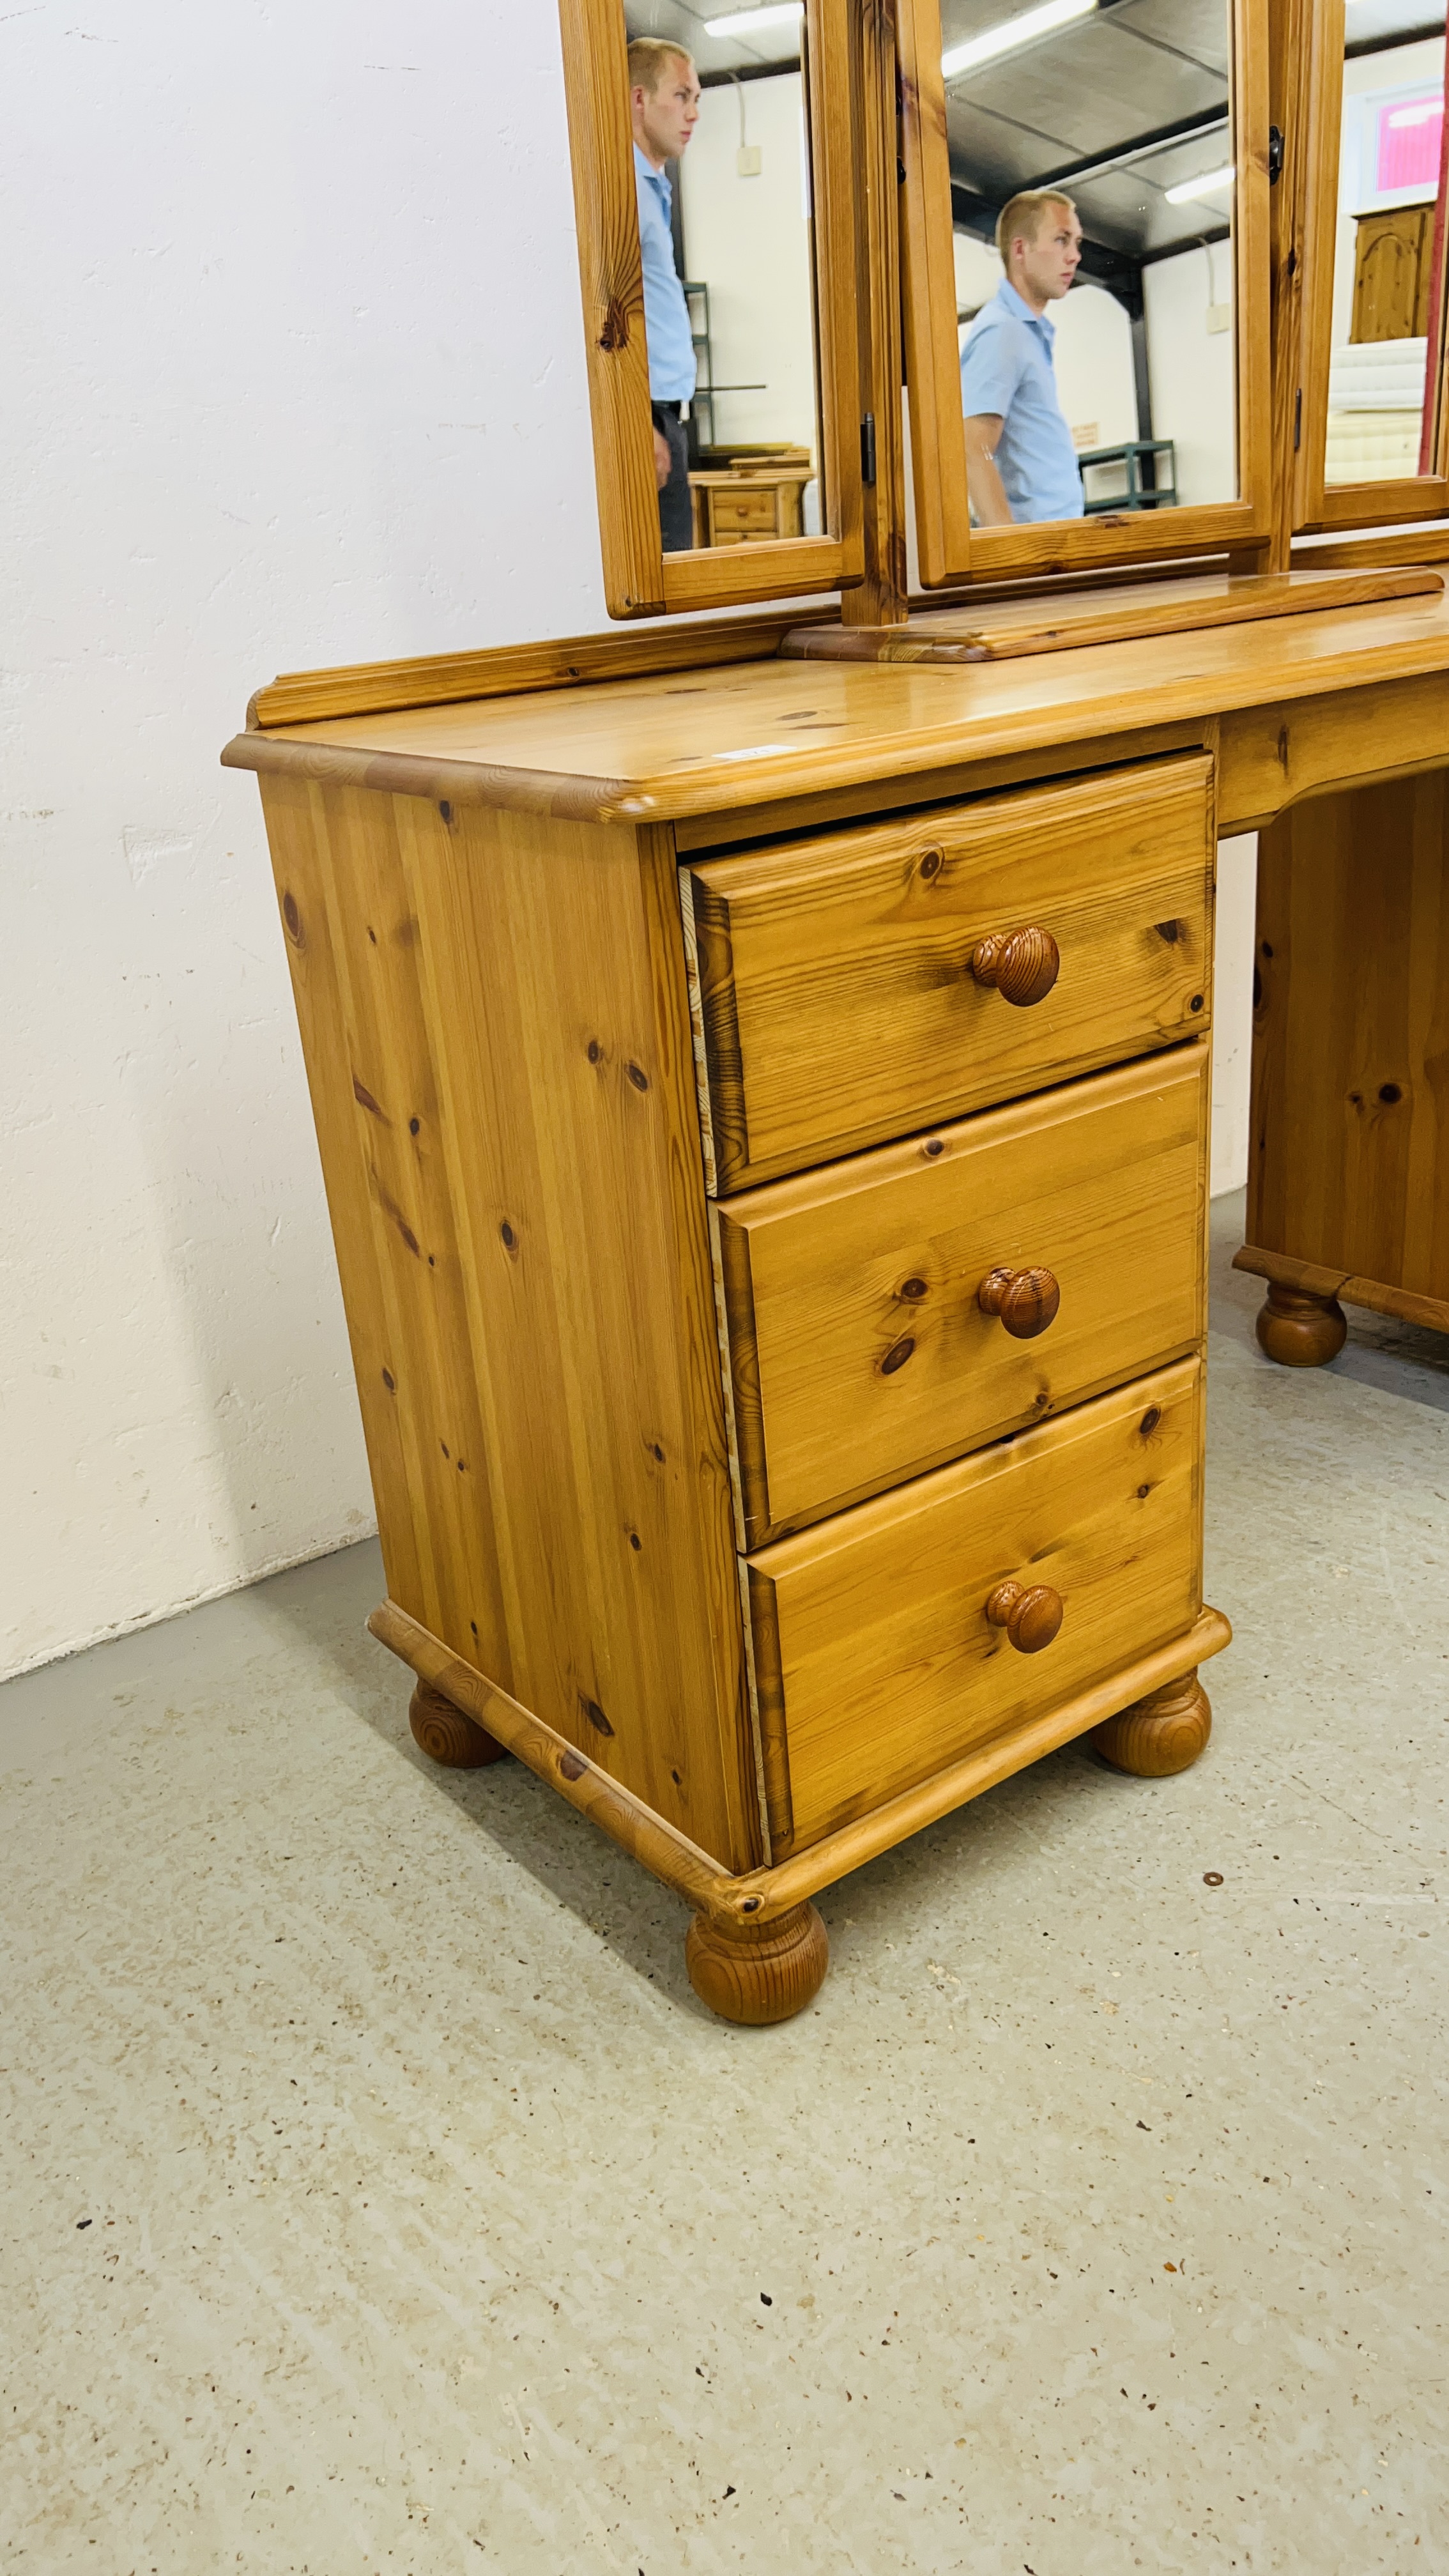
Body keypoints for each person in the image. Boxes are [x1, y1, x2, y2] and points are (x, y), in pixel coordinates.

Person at [960, 189, 1084, 526]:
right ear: (1020, 249)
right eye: (1061, 240)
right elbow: (973, 448)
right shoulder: (1003, 331)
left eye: (1077, 243)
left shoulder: (1027, 334)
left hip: (1054, 536)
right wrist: (1009, 554)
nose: (1074, 256)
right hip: (1037, 547)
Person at [629, 38, 701, 551]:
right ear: (639, 100)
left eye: (696, 98)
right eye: (681, 96)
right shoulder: (623, 190)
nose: (693, 113)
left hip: (667, 412)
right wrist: (638, 423)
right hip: (646, 413)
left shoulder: (655, 186)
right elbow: (604, 311)